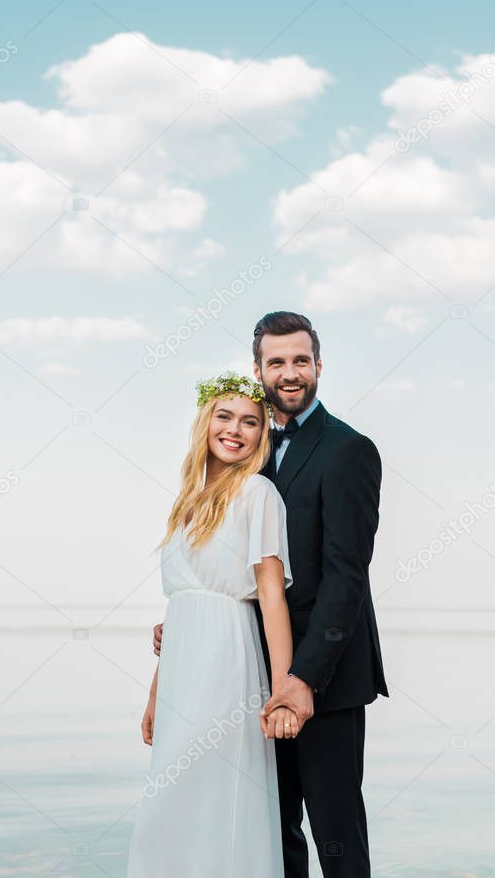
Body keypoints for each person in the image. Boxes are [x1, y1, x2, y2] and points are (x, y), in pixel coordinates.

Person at [154, 311, 388, 878]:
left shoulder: (348, 450)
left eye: (300, 360)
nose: (289, 372)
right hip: (247, 674)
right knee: (270, 832)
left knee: (335, 832)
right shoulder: (246, 453)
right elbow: (238, 564)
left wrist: (302, 679)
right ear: (257, 369)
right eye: (276, 361)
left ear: (318, 366)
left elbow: (346, 576)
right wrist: (195, 620)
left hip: (322, 677)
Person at [126, 372, 294, 878]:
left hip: (227, 659)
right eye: (225, 416)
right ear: (205, 423)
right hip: (182, 668)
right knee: (170, 795)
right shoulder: (186, 505)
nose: (236, 430)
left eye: (250, 421)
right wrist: (156, 693)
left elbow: (270, 596)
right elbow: (181, 603)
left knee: (214, 788)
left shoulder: (259, 493)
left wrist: (283, 687)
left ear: (261, 434)